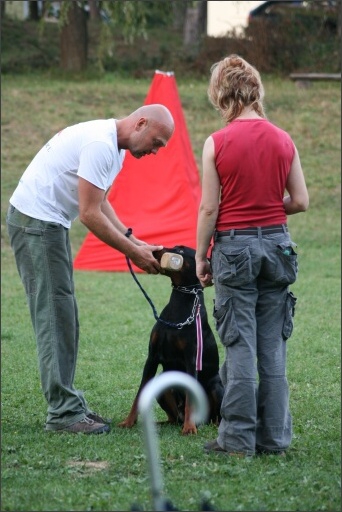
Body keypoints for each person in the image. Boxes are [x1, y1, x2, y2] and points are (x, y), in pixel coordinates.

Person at [6, 104, 175, 435]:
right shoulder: (101, 144)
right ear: (141, 123)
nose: (155, 151)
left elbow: (101, 201)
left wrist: (134, 240)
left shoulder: (114, 147)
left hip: (46, 224)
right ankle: (63, 413)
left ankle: (69, 404)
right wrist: (134, 254)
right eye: (157, 142)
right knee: (55, 316)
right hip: (37, 225)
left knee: (63, 314)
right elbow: (89, 214)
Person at [195, 55, 309, 457]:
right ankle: (274, 439)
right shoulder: (284, 139)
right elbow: (301, 201)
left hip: (234, 248)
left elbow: (209, 208)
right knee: (273, 347)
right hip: (278, 246)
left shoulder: (217, 141)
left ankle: (238, 440)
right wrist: (269, 208)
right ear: (256, 90)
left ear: (221, 94)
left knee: (239, 344)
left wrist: (200, 256)